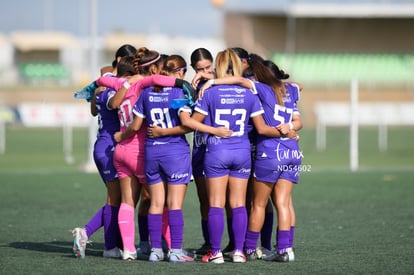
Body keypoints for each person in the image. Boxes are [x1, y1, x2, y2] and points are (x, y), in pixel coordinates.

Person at [114, 54, 232, 263]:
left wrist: (122, 137)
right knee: (175, 205)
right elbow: (187, 124)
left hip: (151, 153)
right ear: (180, 72)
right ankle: (175, 251)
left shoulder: (146, 93)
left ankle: (155, 251)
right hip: (175, 152)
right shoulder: (181, 92)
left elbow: (135, 125)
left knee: (155, 203)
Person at [94, 47, 193, 260]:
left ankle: (130, 249)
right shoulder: (147, 85)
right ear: (155, 68)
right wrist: (185, 85)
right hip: (141, 149)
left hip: (120, 150)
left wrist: (99, 84)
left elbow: (105, 84)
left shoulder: (123, 83)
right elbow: (168, 82)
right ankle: (170, 248)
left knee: (127, 202)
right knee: (163, 202)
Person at [191, 48, 285, 264]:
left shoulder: (210, 92)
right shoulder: (249, 93)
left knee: (216, 203)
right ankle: (239, 252)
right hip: (242, 152)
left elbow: (193, 122)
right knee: (239, 204)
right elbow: (261, 126)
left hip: (217, 151)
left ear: (219, 67)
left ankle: (215, 253)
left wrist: (209, 128)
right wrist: (288, 131)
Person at [71, 44, 137, 259]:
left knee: (118, 199)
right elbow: (115, 100)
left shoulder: (105, 83)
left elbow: (93, 110)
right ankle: (94, 237)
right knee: (115, 199)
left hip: (104, 145)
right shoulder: (113, 88)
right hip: (110, 147)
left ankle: (113, 244)